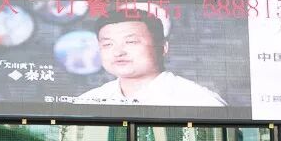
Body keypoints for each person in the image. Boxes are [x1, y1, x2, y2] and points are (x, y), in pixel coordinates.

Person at [75, 9, 226, 106]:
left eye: (131, 42)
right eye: (108, 44)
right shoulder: (87, 101)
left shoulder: (200, 101)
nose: (118, 52)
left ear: (163, 47)